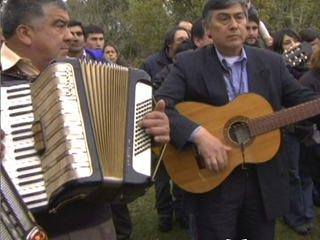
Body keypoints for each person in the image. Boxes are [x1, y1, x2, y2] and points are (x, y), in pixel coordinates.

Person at [1, 1, 170, 240]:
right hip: (19, 230)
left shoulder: (82, 74)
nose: (70, 36)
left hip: (96, 224)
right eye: (60, 25)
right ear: (25, 33)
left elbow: (121, 146)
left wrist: (150, 134)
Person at [155, 0, 320, 239]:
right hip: (211, 179)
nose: (234, 25)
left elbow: (303, 99)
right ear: (208, 28)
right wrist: (199, 135)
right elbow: (161, 105)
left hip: (263, 181)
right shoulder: (188, 64)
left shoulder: (271, 62)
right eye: (224, 18)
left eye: (239, 18)